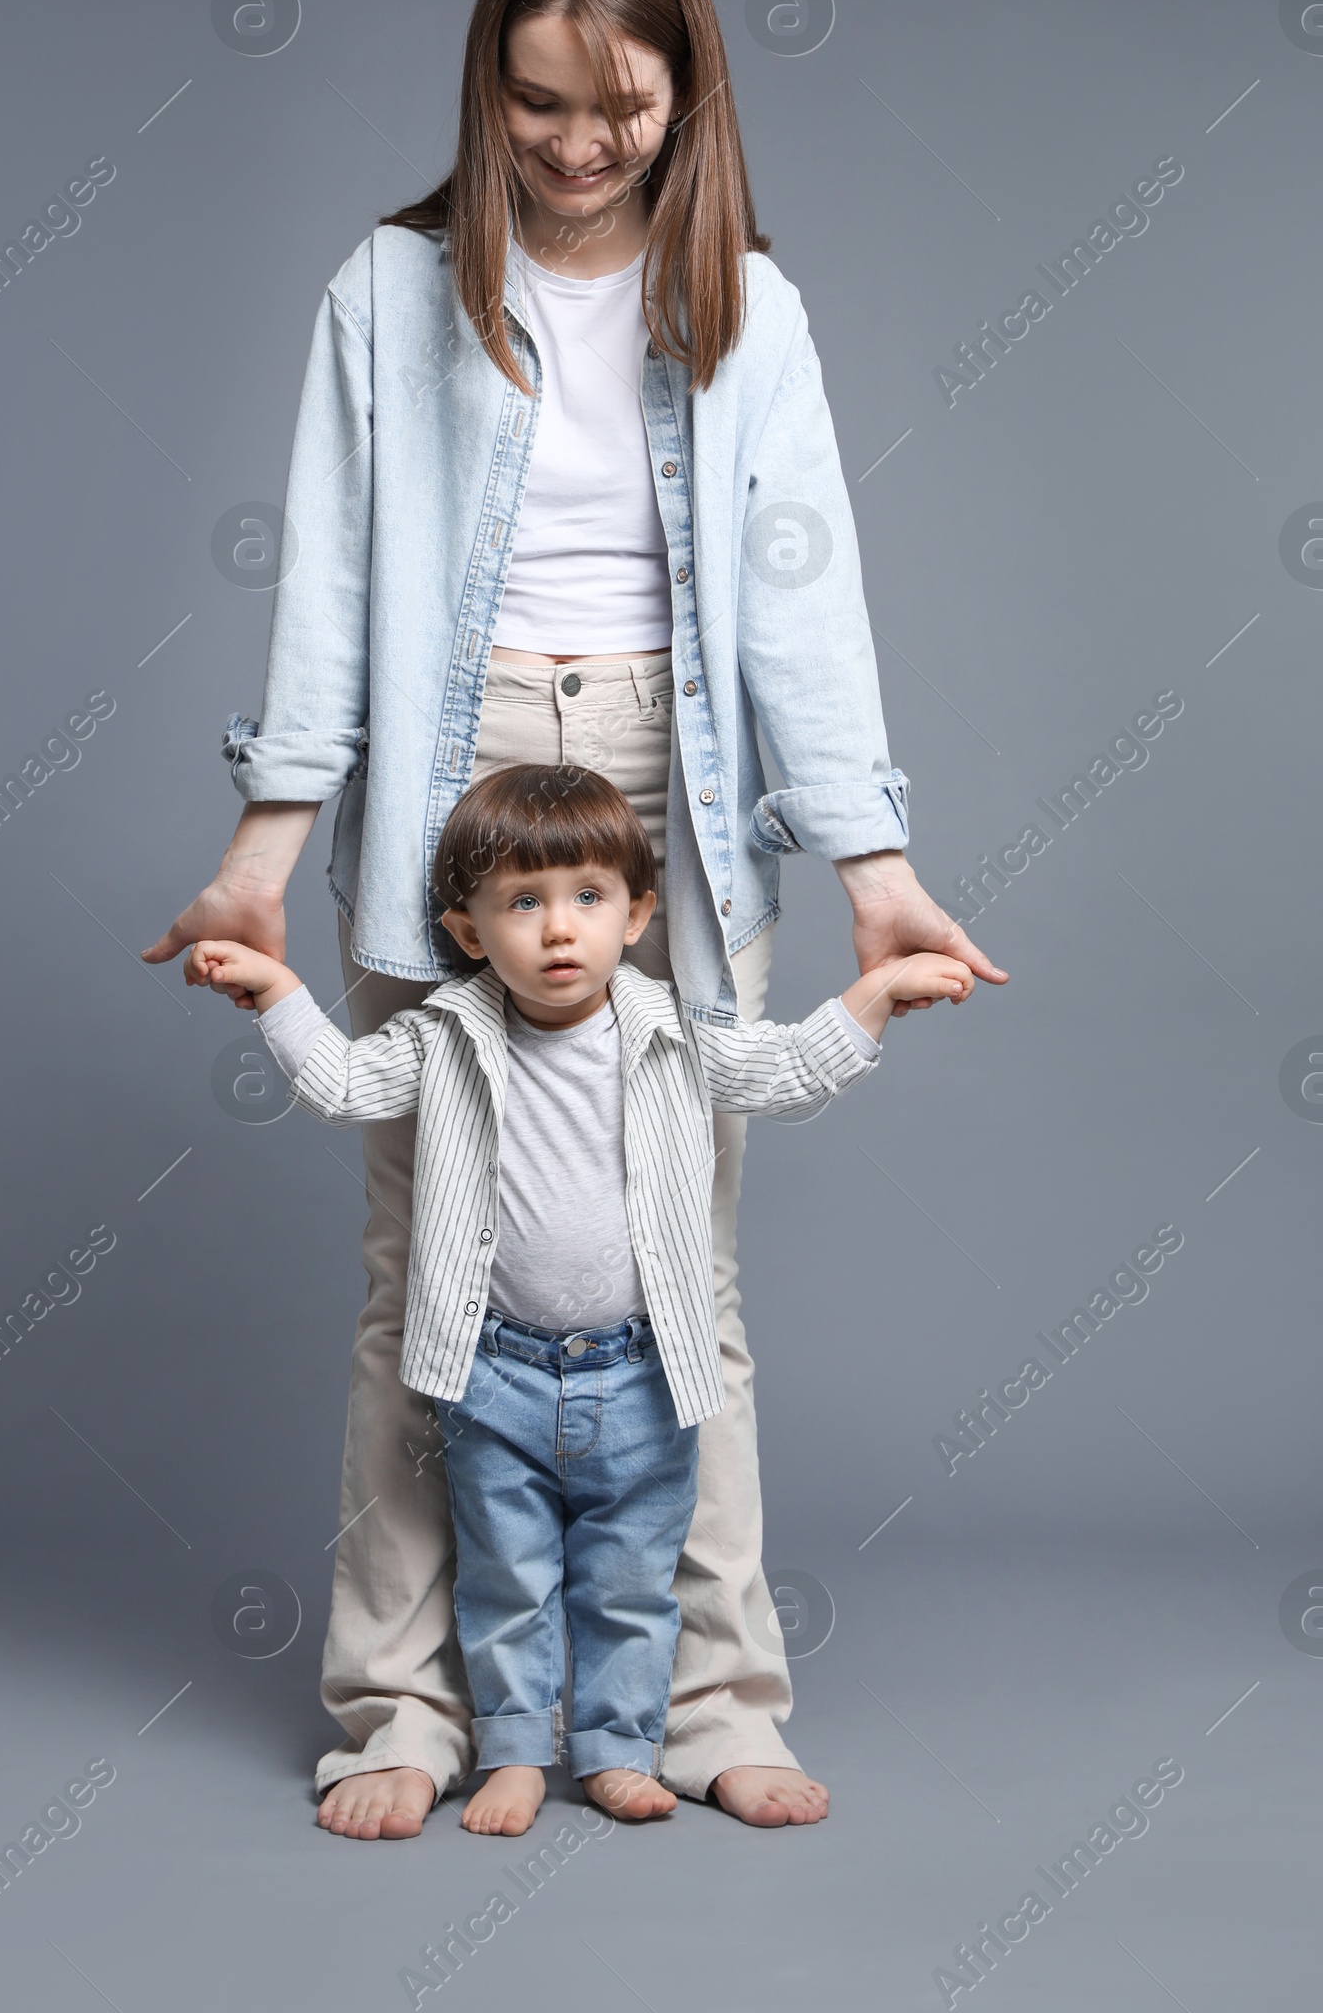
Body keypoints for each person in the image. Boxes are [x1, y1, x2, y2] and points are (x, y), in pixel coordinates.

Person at [144, 0, 1006, 1840]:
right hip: (451, 793)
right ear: (486, 90)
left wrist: (870, 864)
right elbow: (333, 587)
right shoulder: (385, 291)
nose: (573, 143)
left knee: (672, 1278)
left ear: (685, 88)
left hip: (661, 784)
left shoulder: (749, 310)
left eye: (614, 104)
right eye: (533, 103)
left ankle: (703, 1702)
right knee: (415, 1276)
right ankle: (402, 1709)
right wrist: (263, 851)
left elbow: (804, 608)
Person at [188, 765, 976, 1836]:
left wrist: (874, 999)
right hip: (493, 1374)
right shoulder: (446, 1035)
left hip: (644, 1373)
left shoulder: (674, 1028)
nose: (559, 931)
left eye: (588, 898)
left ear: (637, 913)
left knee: (630, 1585)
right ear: (467, 931)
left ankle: (614, 1751)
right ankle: (512, 1749)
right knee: (505, 1581)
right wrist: (276, 996)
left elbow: (785, 1071)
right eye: (522, 902)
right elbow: (342, 1088)